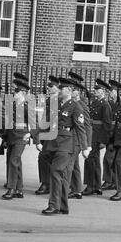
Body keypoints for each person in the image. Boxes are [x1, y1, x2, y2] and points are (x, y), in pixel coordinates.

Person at [35, 78, 89, 215]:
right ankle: (63, 206)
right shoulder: (55, 103)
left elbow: (81, 128)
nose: (59, 90)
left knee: (56, 172)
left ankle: (53, 205)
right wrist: (37, 139)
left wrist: (84, 147)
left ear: (69, 91)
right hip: (52, 142)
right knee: (61, 176)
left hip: (66, 144)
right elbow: (45, 122)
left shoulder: (76, 106)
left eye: (62, 89)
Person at [1, 79, 35, 199]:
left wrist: (30, 134)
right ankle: (19, 189)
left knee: (13, 161)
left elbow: (33, 123)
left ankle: (11, 188)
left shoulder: (27, 107)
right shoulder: (12, 105)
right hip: (11, 135)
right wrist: (4, 137)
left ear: (23, 94)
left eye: (17, 92)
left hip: (22, 136)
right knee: (16, 162)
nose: (14, 94)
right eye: (14, 92)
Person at [82, 79, 112, 196]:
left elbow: (107, 124)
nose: (95, 92)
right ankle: (96, 186)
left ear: (103, 92)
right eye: (95, 90)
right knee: (94, 161)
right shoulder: (94, 102)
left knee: (90, 159)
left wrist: (104, 141)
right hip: (92, 134)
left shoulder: (105, 105)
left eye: (97, 90)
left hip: (98, 136)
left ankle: (91, 186)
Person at [67, 72, 92, 200]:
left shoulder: (81, 105)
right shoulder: (71, 103)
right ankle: (77, 190)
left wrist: (87, 145)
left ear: (77, 91)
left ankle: (67, 189)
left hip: (76, 139)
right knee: (74, 165)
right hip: (70, 138)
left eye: (72, 89)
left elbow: (87, 125)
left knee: (69, 164)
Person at [35, 75, 60, 195]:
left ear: (58, 87)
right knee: (43, 157)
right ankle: (46, 182)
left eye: (52, 86)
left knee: (53, 158)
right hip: (47, 132)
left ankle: (53, 184)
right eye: (48, 86)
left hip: (58, 134)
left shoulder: (61, 100)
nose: (49, 88)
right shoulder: (49, 100)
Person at [102, 79, 121, 191]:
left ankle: (110, 181)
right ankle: (111, 180)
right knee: (109, 158)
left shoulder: (119, 105)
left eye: (112, 91)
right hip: (110, 133)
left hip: (116, 135)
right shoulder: (109, 104)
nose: (110, 93)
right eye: (109, 91)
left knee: (110, 158)